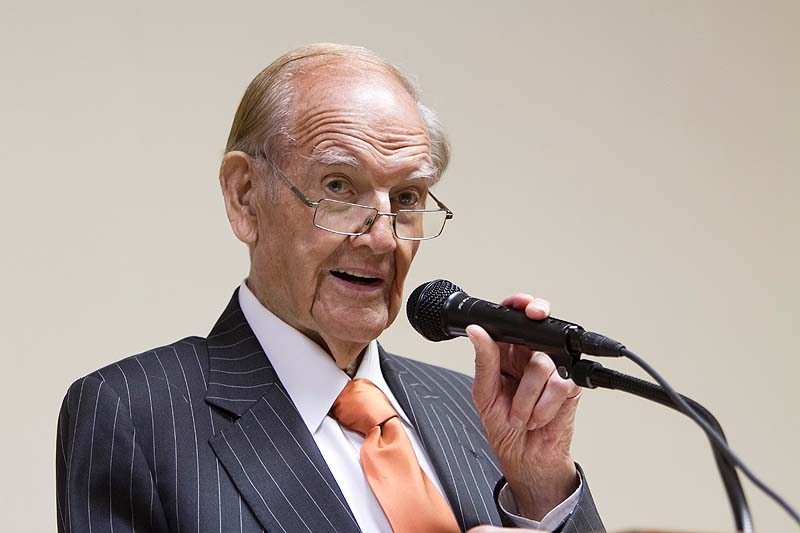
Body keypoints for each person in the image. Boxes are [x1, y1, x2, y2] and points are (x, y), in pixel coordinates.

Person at [56, 43, 604, 533]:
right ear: (245, 196)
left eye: (408, 198)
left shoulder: (474, 410)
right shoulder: (134, 412)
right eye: (340, 188)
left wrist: (539, 486)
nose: (384, 239)